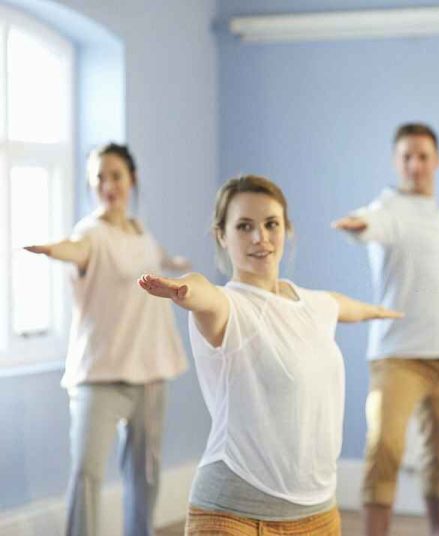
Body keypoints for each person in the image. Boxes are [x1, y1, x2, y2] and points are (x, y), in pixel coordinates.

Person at [138, 175, 402, 536]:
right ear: (222, 235)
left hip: (320, 515)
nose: (259, 237)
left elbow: (346, 307)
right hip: (234, 514)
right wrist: (185, 291)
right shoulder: (227, 305)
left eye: (270, 224)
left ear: (286, 229)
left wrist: (383, 312)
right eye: (244, 226)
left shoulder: (312, 304)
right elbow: (204, 291)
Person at [333, 123, 439, 536]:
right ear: (396, 161)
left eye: (423, 156)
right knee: (385, 446)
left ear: (436, 162)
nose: (415, 164)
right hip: (397, 358)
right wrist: (358, 226)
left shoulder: (436, 217)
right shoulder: (388, 208)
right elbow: (374, 223)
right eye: (406, 156)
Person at [25, 143, 189, 536]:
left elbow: (153, 254)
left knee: (144, 476)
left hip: (150, 371)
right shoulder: (90, 233)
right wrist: (54, 250)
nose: (107, 184)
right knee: (87, 474)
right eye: (99, 177)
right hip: (99, 375)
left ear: (131, 179)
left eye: (115, 175)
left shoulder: (140, 231)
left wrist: (174, 264)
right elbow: (77, 250)